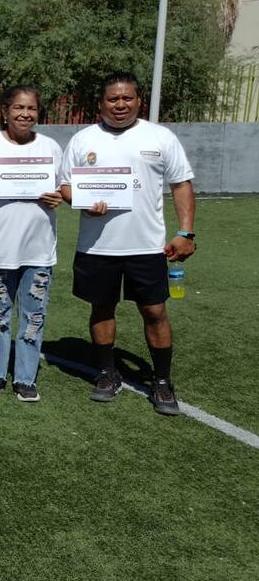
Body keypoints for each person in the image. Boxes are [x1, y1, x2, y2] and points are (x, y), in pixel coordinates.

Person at [58, 71, 196, 416]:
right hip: (97, 246)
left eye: (127, 98)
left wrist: (186, 232)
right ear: (101, 103)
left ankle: (161, 381)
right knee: (101, 308)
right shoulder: (83, 139)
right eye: (113, 99)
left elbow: (181, 184)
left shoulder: (160, 137)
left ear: (138, 101)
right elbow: (65, 186)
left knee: (155, 311)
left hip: (147, 246)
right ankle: (107, 373)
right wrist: (83, 202)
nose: (120, 105)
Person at [0, 85, 64, 402]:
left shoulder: (51, 147)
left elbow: (64, 188)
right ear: (5, 111)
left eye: (31, 108)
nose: (25, 114)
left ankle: (25, 378)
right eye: (19, 107)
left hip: (38, 250)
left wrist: (59, 197)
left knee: (34, 316)